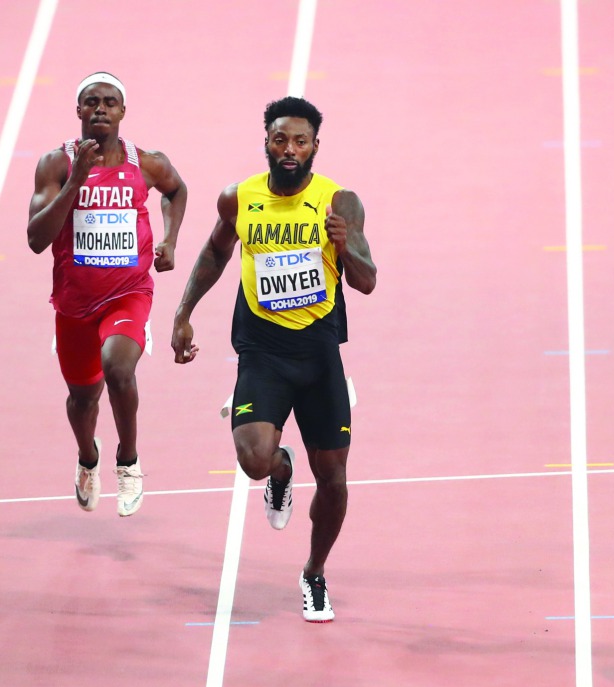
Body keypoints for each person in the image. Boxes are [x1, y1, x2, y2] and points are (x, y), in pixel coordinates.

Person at [170, 96, 377, 622]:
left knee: (334, 482)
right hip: (263, 352)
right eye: (280, 139)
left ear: (314, 147)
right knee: (253, 460)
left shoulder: (339, 201)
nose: (290, 150)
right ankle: (281, 470)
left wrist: (345, 244)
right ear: (266, 141)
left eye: (300, 141)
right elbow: (217, 252)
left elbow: (367, 281)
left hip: (318, 355)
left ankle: (314, 573)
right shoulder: (239, 199)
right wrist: (184, 311)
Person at [26, 72, 187, 517]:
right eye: (91, 101)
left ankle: (129, 461)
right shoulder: (55, 165)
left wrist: (170, 239)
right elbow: (36, 239)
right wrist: (75, 183)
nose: (100, 108)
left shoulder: (147, 162)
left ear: (122, 112)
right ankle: (87, 458)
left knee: (119, 369)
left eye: (109, 102)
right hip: (75, 302)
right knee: (83, 400)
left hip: (128, 292)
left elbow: (176, 189)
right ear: (78, 111)